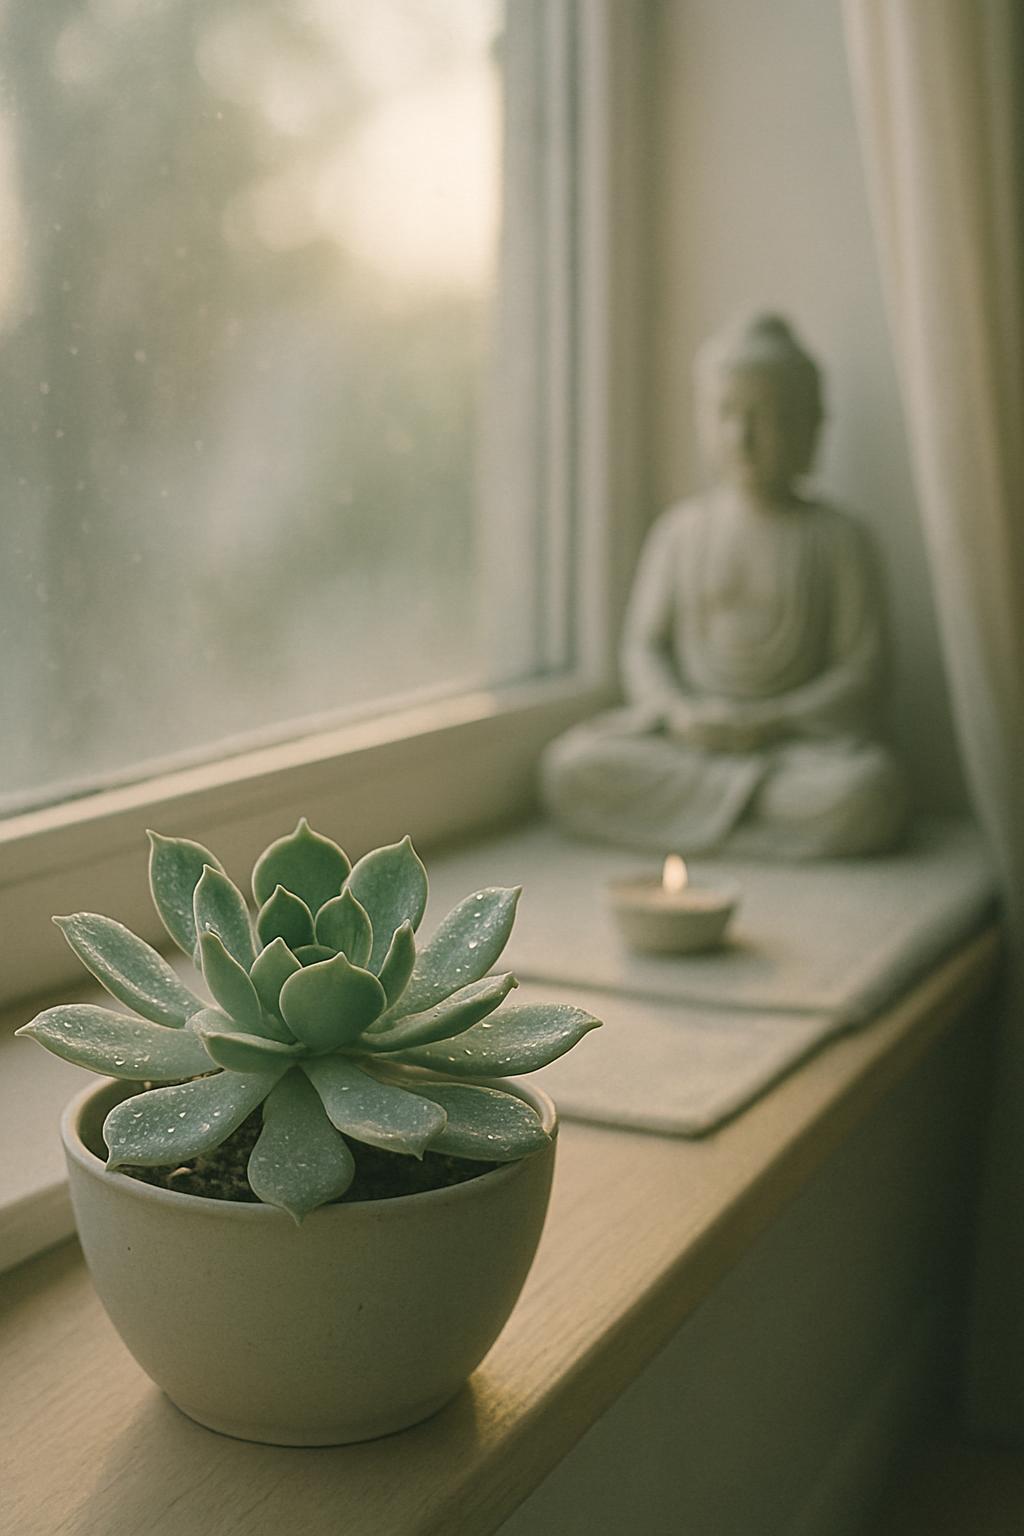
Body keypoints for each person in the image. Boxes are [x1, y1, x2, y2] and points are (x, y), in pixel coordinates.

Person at [541, 314, 908, 858]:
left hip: (790, 750)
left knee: (867, 791)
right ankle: (755, 828)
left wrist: (772, 721)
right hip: (690, 745)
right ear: (703, 421)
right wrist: (677, 711)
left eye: (767, 417)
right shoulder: (681, 532)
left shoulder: (840, 539)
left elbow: (864, 671)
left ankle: (709, 825)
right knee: (569, 767)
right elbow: (643, 649)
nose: (743, 437)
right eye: (727, 414)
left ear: (810, 427)